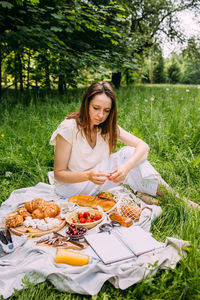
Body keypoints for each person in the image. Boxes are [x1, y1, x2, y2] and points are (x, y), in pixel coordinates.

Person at [49, 81, 165, 205]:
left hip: (99, 181)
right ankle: (139, 192)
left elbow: (143, 147)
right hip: (72, 188)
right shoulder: (69, 128)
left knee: (129, 153)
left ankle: (172, 197)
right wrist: (88, 176)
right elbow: (59, 174)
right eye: (96, 108)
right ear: (86, 104)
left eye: (106, 110)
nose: (100, 115)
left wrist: (126, 167)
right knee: (127, 157)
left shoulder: (107, 126)